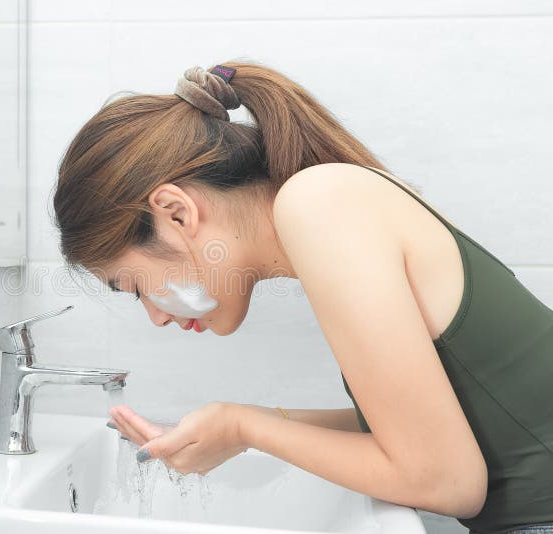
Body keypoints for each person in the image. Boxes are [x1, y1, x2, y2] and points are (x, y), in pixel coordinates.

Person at [52, 60, 553, 534]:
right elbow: (420, 432)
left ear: (177, 213)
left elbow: (446, 483)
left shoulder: (318, 204)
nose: (156, 316)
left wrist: (244, 426)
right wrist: (239, 428)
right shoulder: (330, 203)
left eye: (136, 287)